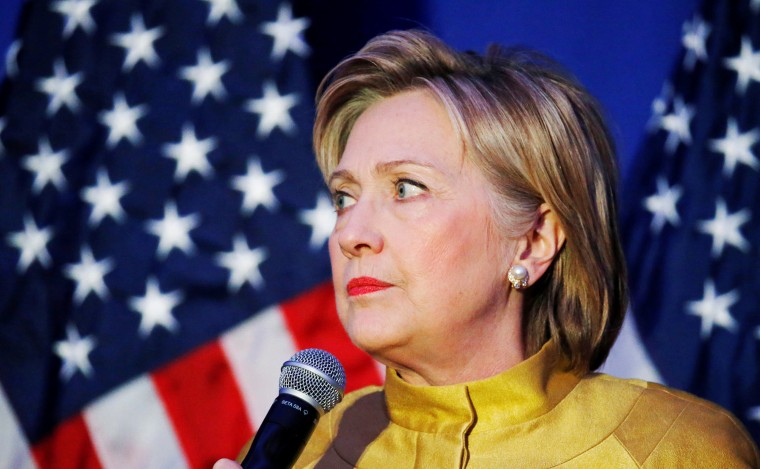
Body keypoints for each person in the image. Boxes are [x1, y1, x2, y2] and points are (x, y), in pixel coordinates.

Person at [215, 29, 760, 468]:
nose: (350, 233)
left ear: (532, 241)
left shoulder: (673, 452)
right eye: (343, 196)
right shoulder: (302, 454)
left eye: (406, 187)